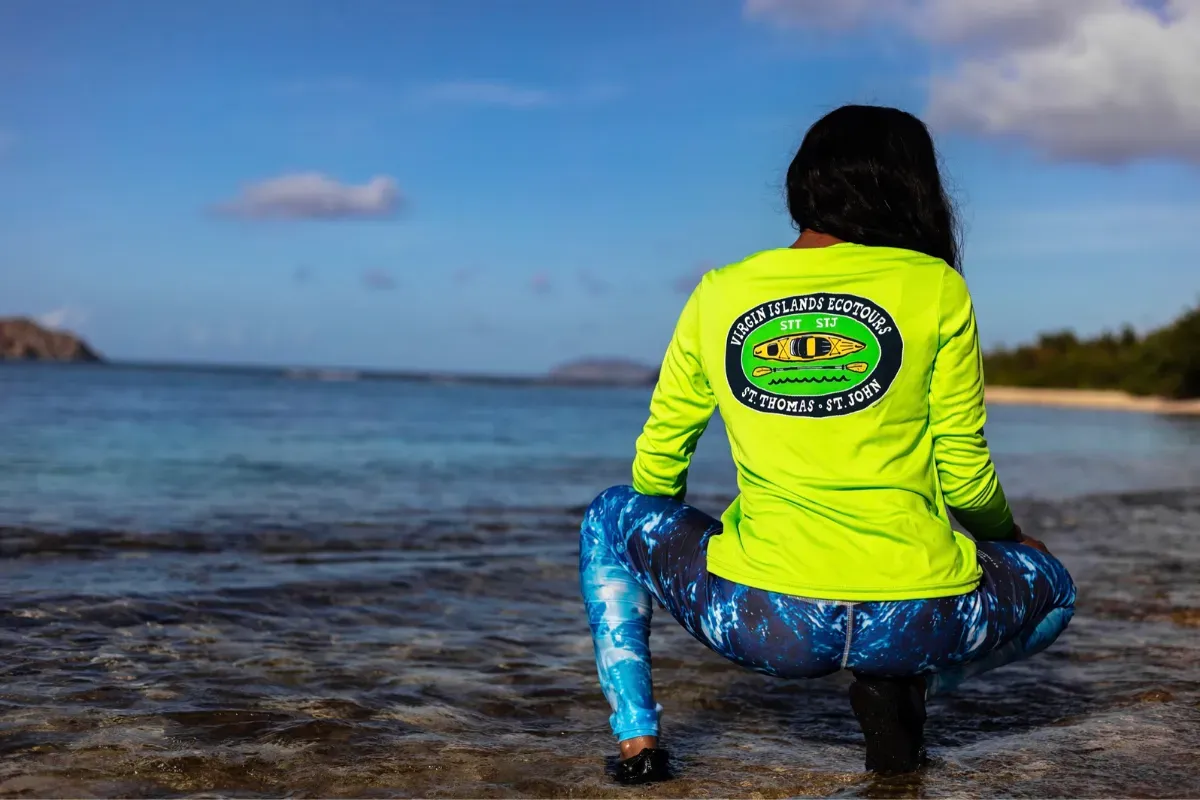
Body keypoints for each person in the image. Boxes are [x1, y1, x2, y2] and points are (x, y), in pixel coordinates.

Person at [579, 105, 1076, 784]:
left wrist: (671, 536)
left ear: (802, 186)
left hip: (766, 621)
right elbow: (963, 474)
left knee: (610, 517)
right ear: (911, 187)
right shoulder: (935, 287)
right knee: (1055, 589)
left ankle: (640, 747)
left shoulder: (720, 292)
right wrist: (1013, 538)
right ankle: (910, 685)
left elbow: (659, 466)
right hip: (918, 617)